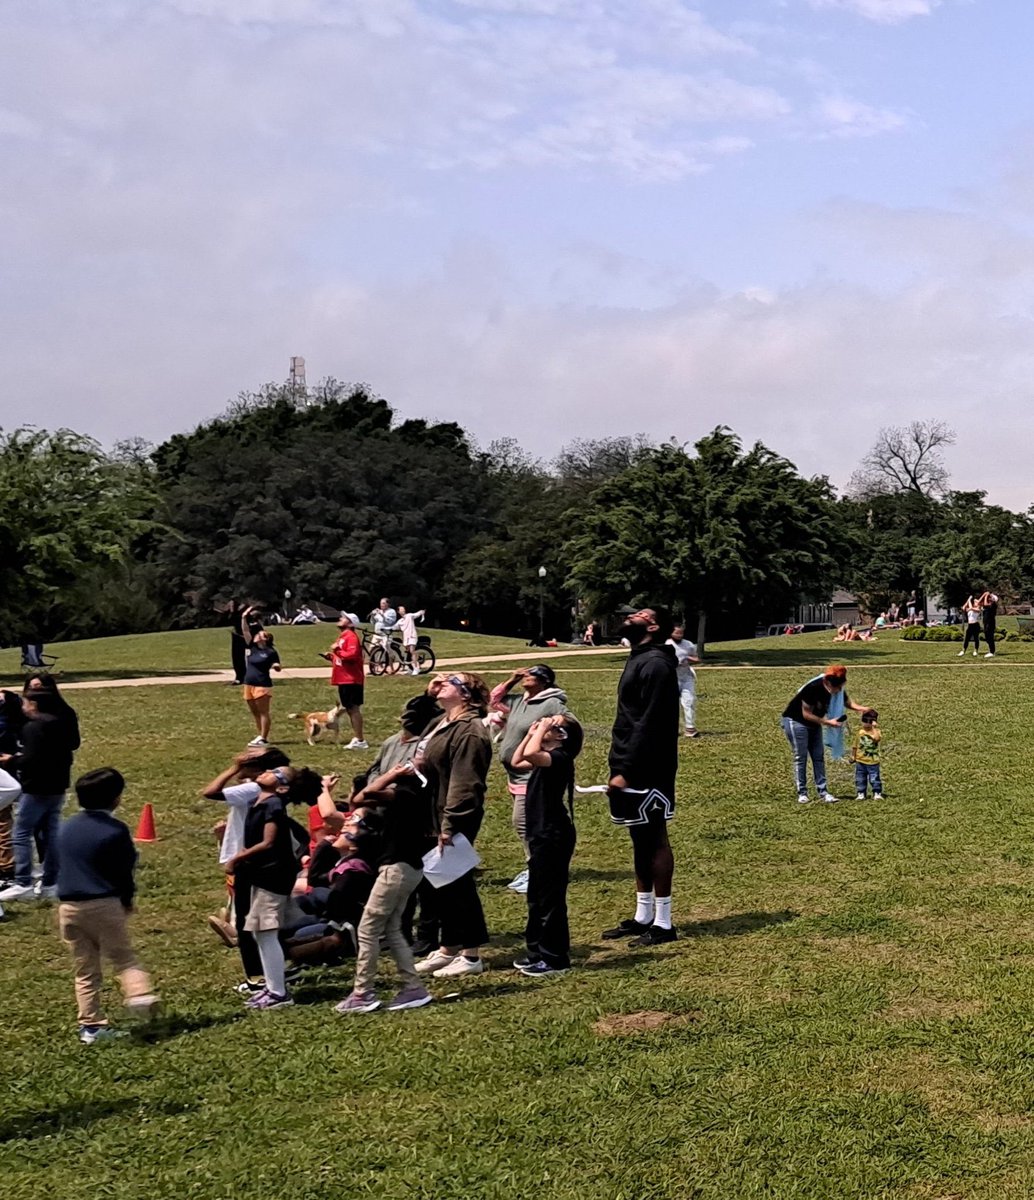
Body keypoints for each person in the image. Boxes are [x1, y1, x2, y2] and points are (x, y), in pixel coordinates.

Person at [56, 768, 159, 1044]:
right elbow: (123, 871)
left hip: (68, 906)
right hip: (102, 902)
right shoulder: (114, 830)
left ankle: (91, 1027)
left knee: (85, 968)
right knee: (123, 957)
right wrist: (126, 900)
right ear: (116, 799)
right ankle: (139, 996)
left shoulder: (66, 827)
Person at [601, 606, 681, 947]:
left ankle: (664, 923)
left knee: (654, 837)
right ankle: (643, 915)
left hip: (648, 767)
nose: (631, 615)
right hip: (627, 762)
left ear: (654, 625)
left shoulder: (657, 665)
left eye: (640, 614)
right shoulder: (640, 657)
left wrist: (627, 772)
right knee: (638, 838)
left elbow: (651, 724)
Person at [334, 753, 436, 1013]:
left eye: (412, 762)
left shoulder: (407, 794)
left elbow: (360, 797)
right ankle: (413, 988)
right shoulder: (416, 795)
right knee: (392, 928)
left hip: (396, 868)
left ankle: (362, 993)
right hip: (407, 868)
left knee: (367, 929)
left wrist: (391, 774)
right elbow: (357, 801)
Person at [413, 673, 493, 979]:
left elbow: (465, 782)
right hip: (433, 812)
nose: (441, 681)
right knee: (441, 884)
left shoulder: (470, 731)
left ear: (466, 695)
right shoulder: (444, 720)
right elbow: (413, 717)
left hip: (453, 816)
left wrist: (450, 824)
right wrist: (428, 691)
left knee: (458, 884)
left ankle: (471, 955)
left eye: (450, 681)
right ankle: (448, 948)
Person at [202, 746, 292, 992]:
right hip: (249, 859)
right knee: (250, 920)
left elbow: (210, 792)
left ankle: (258, 977)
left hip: (248, 860)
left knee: (248, 921)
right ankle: (266, 974)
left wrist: (235, 769)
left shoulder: (254, 789)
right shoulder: (261, 789)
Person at [224, 764, 305, 1010]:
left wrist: (238, 857)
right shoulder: (259, 802)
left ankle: (279, 993)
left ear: (281, 786)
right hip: (263, 874)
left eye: (274, 772)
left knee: (266, 931)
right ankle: (272, 987)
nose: (265, 771)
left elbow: (268, 842)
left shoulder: (273, 805)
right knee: (261, 932)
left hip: (274, 875)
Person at [510, 714, 583, 976]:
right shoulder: (545, 756)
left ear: (562, 736)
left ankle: (555, 959)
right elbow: (517, 760)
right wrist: (533, 733)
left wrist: (538, 731)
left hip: (554, 835)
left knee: (551, 900)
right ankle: (537, 951)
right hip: (541, 834)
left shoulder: (560, 758)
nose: (545, 723)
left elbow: (529, 754)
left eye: (553, 724)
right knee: (536, 896)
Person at [489, 665, 571, 894]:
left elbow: (568, 721)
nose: (526, 676)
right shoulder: (518, 701)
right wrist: (512, 679)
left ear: (544, 681)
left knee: (524, 822)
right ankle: (534, 865)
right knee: (525, 823)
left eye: (531, 674)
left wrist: (553, 723)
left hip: (531, 776)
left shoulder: (551, 703)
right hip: (515, 775)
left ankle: (536, 867)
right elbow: (494, 700)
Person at [0, 690, 78, 903]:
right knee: (51, 833)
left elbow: (31, 760)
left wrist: (12, 760)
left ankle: (23, 882)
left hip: (36, 788)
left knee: (20, 834)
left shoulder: (33, 728)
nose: (23, 706)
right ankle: (50, 882)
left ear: (33, 705)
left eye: (25, 702)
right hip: (57, 786)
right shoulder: (59, 723)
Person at [781, 664, 870, 805]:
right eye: (837, 688)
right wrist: (828, 722)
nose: (839, 691)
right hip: (796, 721)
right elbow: (806, 714)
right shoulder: (813, 688)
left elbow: (847, 702)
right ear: (828, 682)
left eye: (841, 687)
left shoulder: (838, 688)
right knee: (801, 757)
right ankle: (802, 793)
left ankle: (823, 792)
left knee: (818, 757)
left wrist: (862, 709)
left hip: (815, 723)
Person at [322, 614, 368, 750]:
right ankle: (358, 738)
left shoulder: (351, 637)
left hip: (351, 678)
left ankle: (360, 740)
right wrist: (332, 657)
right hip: (344, 678)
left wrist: (336, 649)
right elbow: (344, 658)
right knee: (349, 708)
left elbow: (352, 656)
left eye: (344, 618)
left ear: (351, 623)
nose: (340, 618)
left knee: (353, 708)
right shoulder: (343, 636)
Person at [240, 605, 282, 747]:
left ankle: (263, 738)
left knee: (263, 712)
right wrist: (244, 616)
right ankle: (260, 736)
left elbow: (277, 664)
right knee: (255, 712)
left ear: (265, 639)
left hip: (262, 684)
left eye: (261, 634)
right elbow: (245, 630)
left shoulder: (270, 652)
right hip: (249, 683)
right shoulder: (252, 646)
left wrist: (276, 666)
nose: (257, 635)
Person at [667, 624, 701, 738]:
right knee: (671, 704)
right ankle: (671, 728)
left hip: (686, 677)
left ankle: (690, 728)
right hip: (671, 677)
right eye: (676, 633)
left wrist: (689, 658)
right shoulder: (666, 644)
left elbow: (697, 659)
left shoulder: (688, 644)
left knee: (689, 701)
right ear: (671, 633)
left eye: (681, 633)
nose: (679, 635)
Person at [226, 600, 263, 686]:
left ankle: (256, 676)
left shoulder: (250, 606)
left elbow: (257, 614)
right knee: (237, 657)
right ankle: (240, 677)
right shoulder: (234, 607)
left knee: (256, 656)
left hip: (252, 633)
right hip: (238, 635)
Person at [852, 709, 883, 801]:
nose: (866, 723)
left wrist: (874, 728)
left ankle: (877, 792)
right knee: (860, 778)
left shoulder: (876, 732)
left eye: (869, 721)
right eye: (865, 721)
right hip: (860, 761)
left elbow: (876, 739)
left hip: (873, 761)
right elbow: (855, 745)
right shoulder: (860, 732)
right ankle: (861, 793)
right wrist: (853, 756)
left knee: (874, 778)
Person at [396, 605, 427, 676]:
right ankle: (411, 668)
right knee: (409, 652)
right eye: (401, 609)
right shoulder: (400, 621)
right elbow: (394, 627)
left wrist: (421, 612)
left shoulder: (409, 616)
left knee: (412, 651)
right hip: (406, 638)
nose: (403, 610)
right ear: (398, 612)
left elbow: (416, 614)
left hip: (412, 636)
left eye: (403, 609)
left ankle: (416, 668)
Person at [979, 589, 999, 658]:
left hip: (990, 623)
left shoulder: (992, 606)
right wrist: (984, 595)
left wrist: (986, 595)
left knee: (990, 637)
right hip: (986, 623)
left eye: (990, 598)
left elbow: (985, 604)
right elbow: (979, 602)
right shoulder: (987, 604)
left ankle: (992, 652)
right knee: (987, 637)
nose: (989, 599)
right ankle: (991, 651)